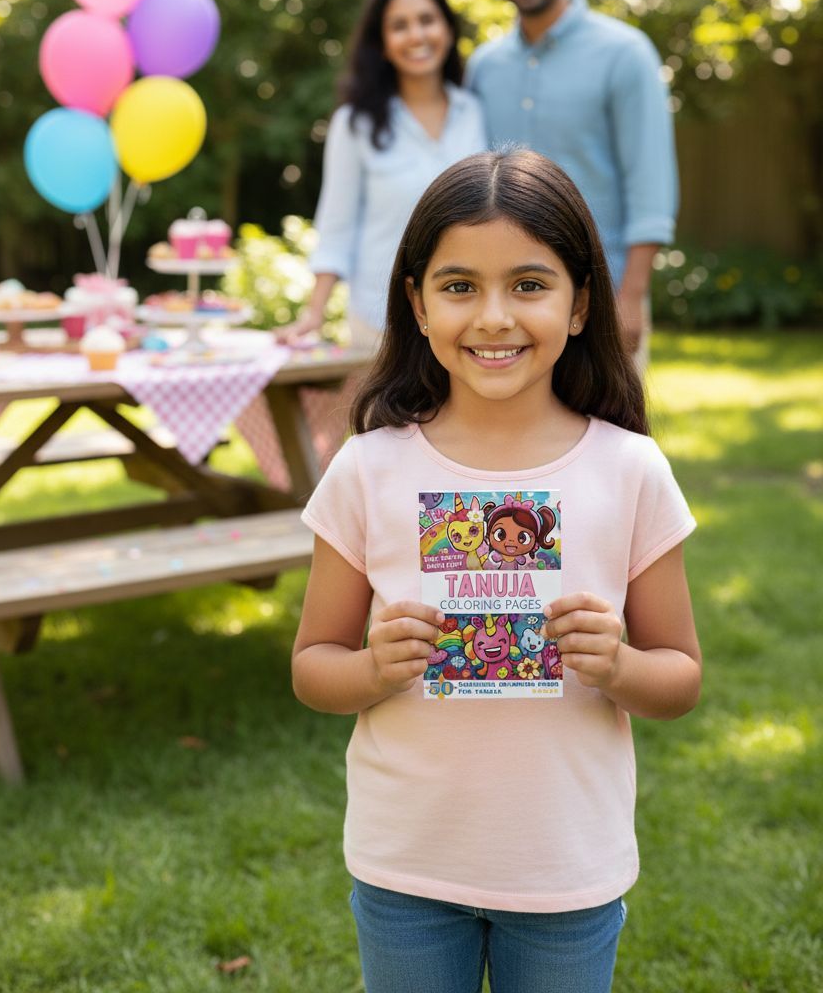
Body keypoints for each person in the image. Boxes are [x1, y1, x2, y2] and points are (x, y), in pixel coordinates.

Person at [292, 149, 701, 993]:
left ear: (581, 303)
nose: (492, 318)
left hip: (565, 869)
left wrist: (621, 665)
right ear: (416, 302)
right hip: (406, 864)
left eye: (527, 284)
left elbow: (680, 679)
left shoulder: (630, 472)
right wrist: (370, 668)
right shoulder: (368, 470)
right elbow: (311, 668)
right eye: (458, 286)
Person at [467, 0, 679, 361]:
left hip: (603, 297)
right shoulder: (483, 68)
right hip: (506, 306)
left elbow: (651, 188)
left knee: (611, 434)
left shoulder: (625, 53)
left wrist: (631, 298)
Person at [279, 0, 486, 347]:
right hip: (382, 325)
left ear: (448, 29)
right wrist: (313, 313)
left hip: (469, 320)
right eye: (400, 26)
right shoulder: (355, 124)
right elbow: (336, 227)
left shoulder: (475, 112)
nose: (417, 35)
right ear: (383, 43)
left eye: (427, 20)